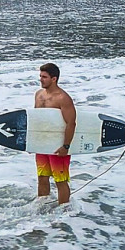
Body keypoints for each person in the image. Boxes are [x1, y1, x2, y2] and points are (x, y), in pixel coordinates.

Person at [35, 63, 76, 204]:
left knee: (60, 180)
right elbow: (36, 119)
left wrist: (66, 146)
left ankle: (64, 211)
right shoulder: (38, 95)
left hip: (58, 144)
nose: (41, 79)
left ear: (54, 79)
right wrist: (31, 143)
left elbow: (71, 123)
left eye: (44, 77)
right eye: (40, 76)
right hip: (42, 143)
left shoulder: (63, 98)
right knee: (42, 177)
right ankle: (42, 206)